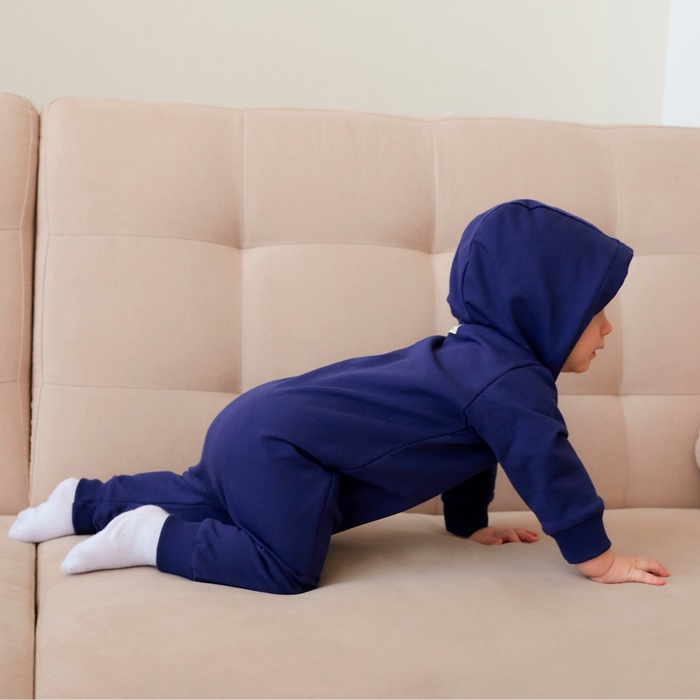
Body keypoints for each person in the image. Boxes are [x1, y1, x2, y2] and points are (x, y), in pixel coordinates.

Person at [9, 199, 669, 594]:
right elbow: (548, 468)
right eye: (595, 313)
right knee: (285, 567)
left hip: (256, 425)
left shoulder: (479, 364)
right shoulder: (511, 382)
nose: (607, 329)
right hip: (284, 449)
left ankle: (84, 500)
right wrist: (598, 559)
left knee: (211, 494)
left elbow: (476, 449)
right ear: (543, 310)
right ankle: (154, 538)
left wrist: (467, 525)